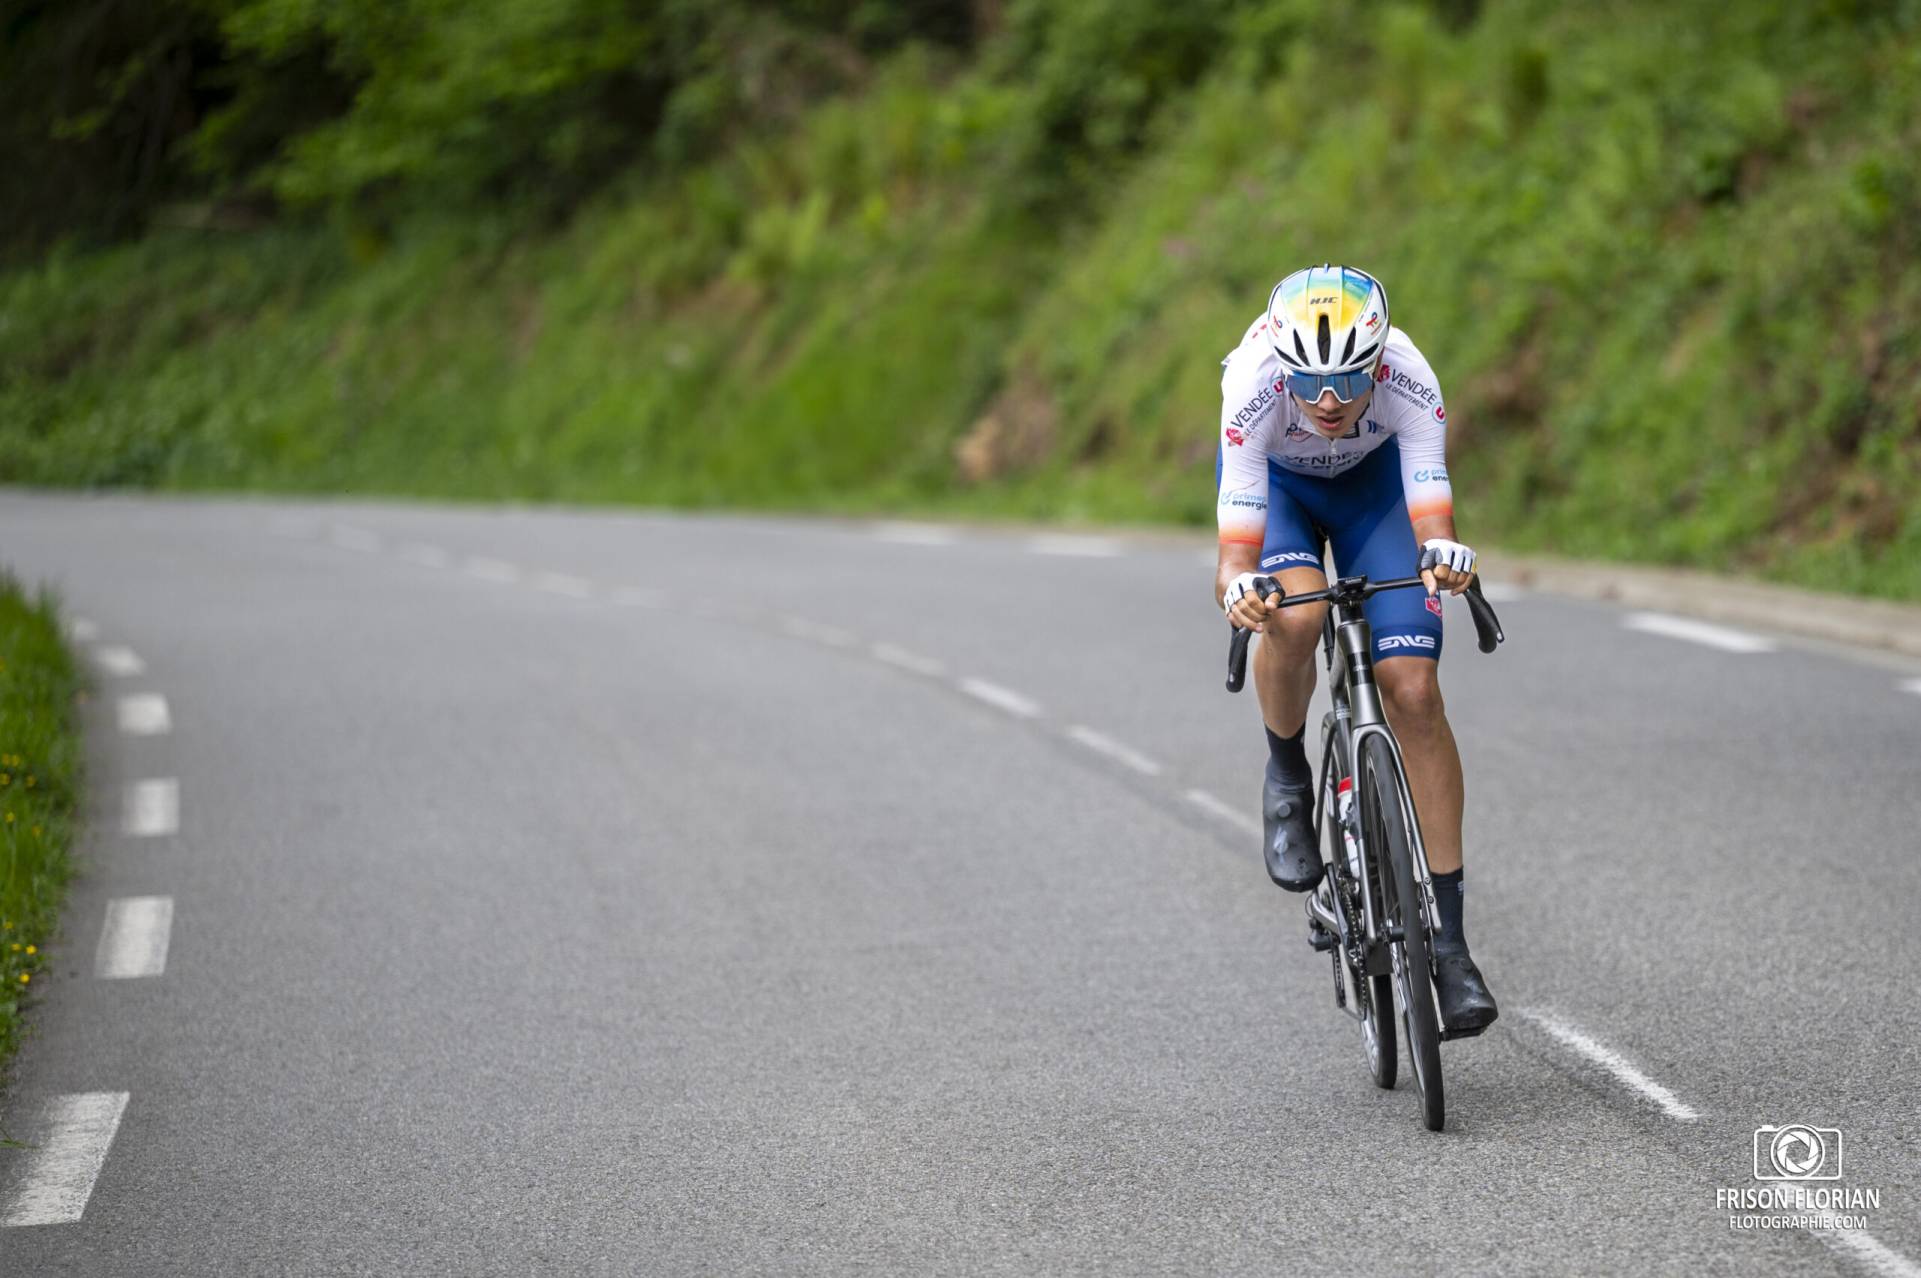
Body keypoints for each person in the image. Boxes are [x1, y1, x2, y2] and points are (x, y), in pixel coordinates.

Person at [1214, 263, 1496, 1032]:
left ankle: (1450, 947)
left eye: (1347, 380)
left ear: (1377, 362)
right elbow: (1233, 557)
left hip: (1375, 495)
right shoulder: (1250, 384)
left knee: (1412, 687)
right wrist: (1242, 590)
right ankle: (1286, 779)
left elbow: (1430, 511)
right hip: (1282, 496)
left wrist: (1445, 554)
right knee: (1296, 620)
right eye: (1309, 383)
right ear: (1282, 366)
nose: (1329, 402)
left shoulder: (1409, 377)